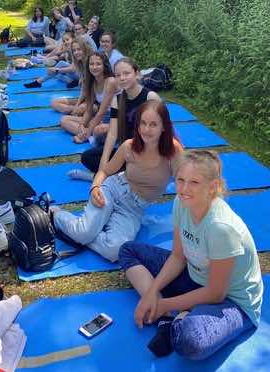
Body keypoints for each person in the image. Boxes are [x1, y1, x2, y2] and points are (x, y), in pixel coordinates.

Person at [118, 150, 261, 360]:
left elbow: (215, 294)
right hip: (196, 277)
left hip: (232, 301)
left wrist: (163, 304)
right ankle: (168, 320)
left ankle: (175, 316)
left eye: (194, 182)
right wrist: (151, 293)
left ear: (212, 187)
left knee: (191, 341)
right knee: (128, 250)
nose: (184, 189)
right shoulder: (181, 202)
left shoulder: (221, 227)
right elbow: (177, 256)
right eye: (180, 180)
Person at [54, 99, 183, 262]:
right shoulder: (129, 146)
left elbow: (184, 182)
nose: (146, 129)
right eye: (142, 123)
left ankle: (87, 232)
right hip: (113, 189)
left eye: (153, 124)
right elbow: (105, 172)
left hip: (134, 208)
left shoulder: (173, 150)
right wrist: (94, 188)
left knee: (116, 251)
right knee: (83, 233)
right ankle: (56, 214)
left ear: (164, 126)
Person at [74, 58, 161, 178]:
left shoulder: (150, 97)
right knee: (87, 157)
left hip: (146, 151)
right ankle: (116, 175)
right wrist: (103, 165)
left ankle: (102, 177)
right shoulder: (117, 100)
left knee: (137, 168)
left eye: (126, 73)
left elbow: (161, 131)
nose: (122, 78)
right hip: (125, 150)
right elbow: (112, 134)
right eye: (118, 75)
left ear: (137, 74)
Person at [57, 51, 112, 143]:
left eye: (98, 64)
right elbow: (89, 110)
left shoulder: (110, 81)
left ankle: (88, 135)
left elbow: (101, 113)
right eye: (91, 64)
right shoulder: (92, 82)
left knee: (98, 130)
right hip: (101, 119)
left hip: (113, 119)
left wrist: (87, 131)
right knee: (64, 120)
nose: (94, 67)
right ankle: (88, 134)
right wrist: (82, 124)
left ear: (104, 66)